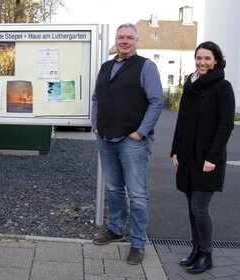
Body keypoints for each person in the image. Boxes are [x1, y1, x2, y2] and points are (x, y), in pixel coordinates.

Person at [91, 23, 163, 265]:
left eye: (129, 38)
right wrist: (95, 125)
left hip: (132, 141)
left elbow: (156, 102)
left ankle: (138, 243)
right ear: (116, 40)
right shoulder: (106, 66)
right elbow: (96, 98)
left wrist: (140, 133)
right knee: (113, 189)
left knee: (138, 194)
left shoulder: (146, 67)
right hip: (106, 137)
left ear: (137, 41)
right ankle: (115, 229)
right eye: (121, 37)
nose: (124, 41)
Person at [171, 41, 235, 274]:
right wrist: (175, 150)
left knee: (199, 207)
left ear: (216, 61)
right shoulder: (190, 85)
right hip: (187, 156)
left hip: (208, 159)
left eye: (207, 58)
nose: (202, 62)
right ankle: (196, 250)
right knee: (191, 205)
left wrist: (213, 157)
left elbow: (226, 125)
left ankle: (206, 254)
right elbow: (182, 121)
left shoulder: (223, 87)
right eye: (199, 58)